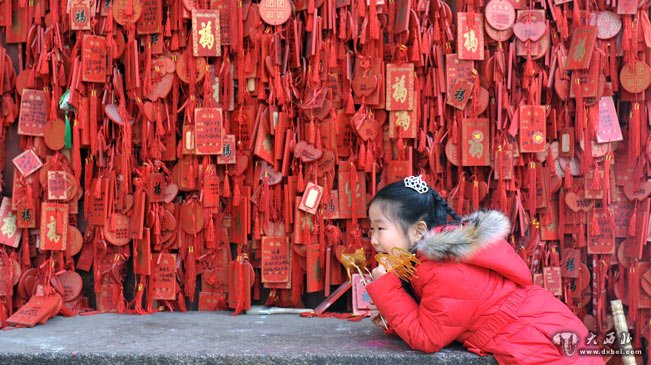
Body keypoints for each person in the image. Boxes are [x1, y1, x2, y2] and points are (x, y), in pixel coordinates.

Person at [365, 175, 605, 365]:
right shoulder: (428, 261)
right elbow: (441, 320)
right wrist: (391, 313)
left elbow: (428, 338)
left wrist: (386, 288)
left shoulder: (443, 268)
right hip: (538, 331)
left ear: (418, 231)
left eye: (380, 229)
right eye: (371, 230)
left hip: (542, 343)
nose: (373, 240)